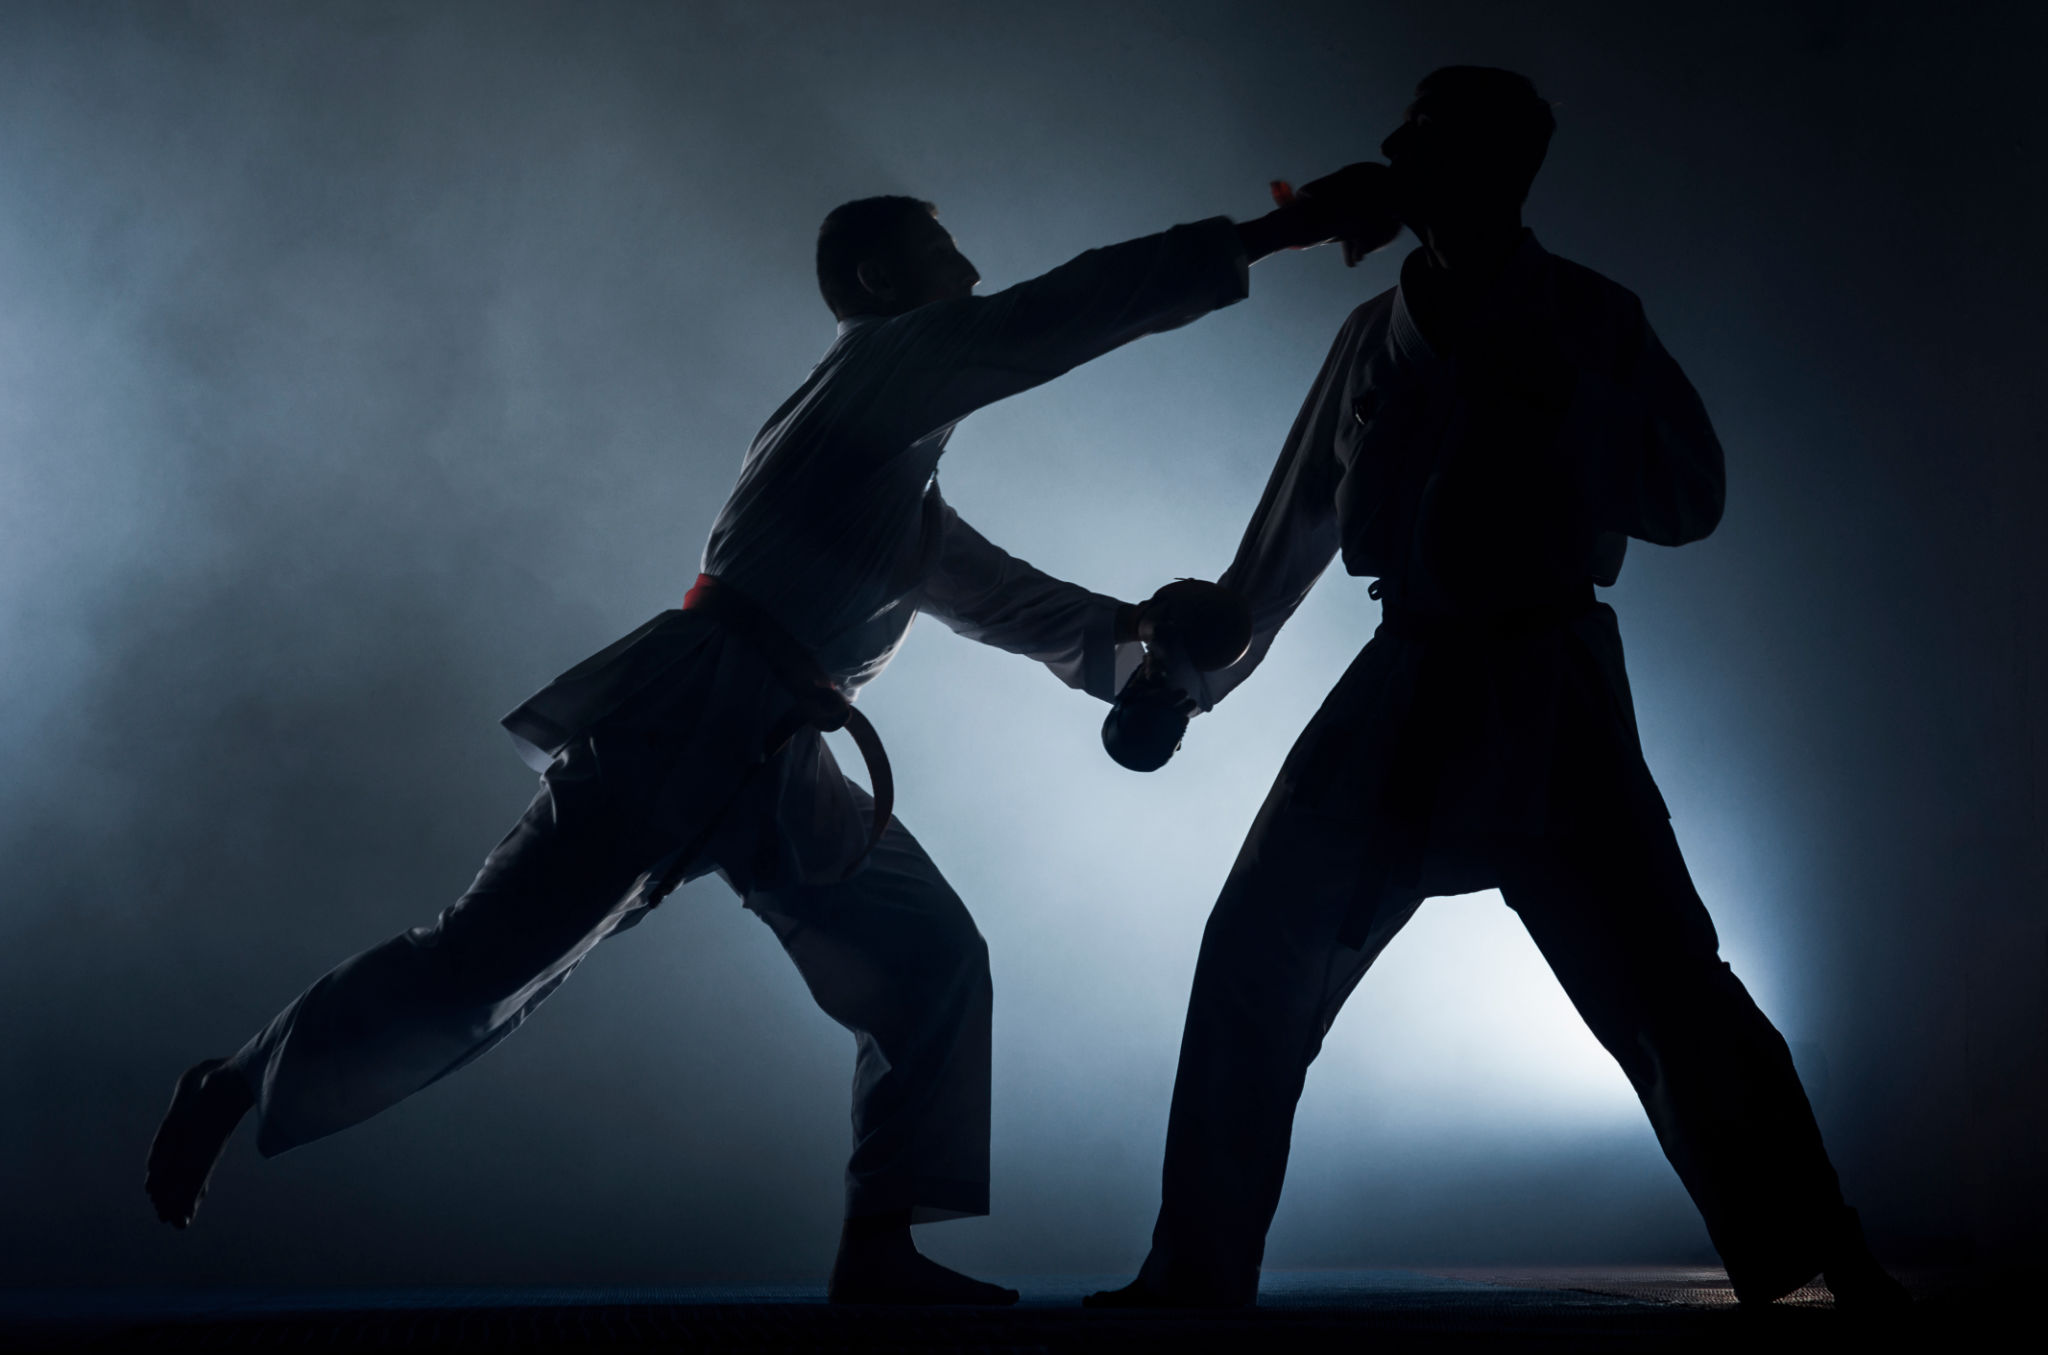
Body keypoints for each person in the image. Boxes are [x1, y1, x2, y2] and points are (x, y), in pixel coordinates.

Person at [143, 180, 1389, 1305]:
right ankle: (239, 1076)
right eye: (941, 256)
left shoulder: (896, 478)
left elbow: (1016, 607)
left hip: (779, 752)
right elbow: (1059, 314)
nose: (967, 276)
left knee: (930, 956)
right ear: (876, 287)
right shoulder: (877, 374)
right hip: (688, 715)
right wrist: (1272, 230)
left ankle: (876, 1252)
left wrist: (1146, 652)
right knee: (476, 968)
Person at [1089, 67, 1908, 1311]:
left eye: (1419, 137)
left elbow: (1691, 496)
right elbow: (1291, 529)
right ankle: (1193, 1269)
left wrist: (1563, 405)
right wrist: (1181, 675)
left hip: (1548, 686)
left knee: (1667, 986)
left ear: (1496, 164)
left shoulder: (1590, 318)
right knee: (1257, 948)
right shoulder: (1373, 333)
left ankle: (1821, 1242)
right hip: (1402, 679)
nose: (1388, 148)